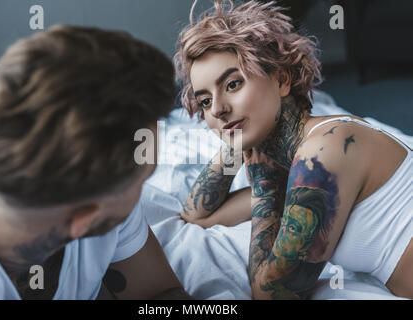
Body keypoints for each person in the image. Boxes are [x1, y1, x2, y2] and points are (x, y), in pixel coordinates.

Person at [174, 0, 412, 299]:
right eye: (205, 101)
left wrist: (261, 179)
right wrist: (238, 142)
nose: (218, 109)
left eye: (233, 84)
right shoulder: (289, 162)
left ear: (282, 80)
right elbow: (196, 216)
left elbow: (272, 294)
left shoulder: (324, 152)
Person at [0, 25, 191, 300]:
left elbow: (160, 294)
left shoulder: (101, 195)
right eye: (144, 178)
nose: (141, 191)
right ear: (85, 217)